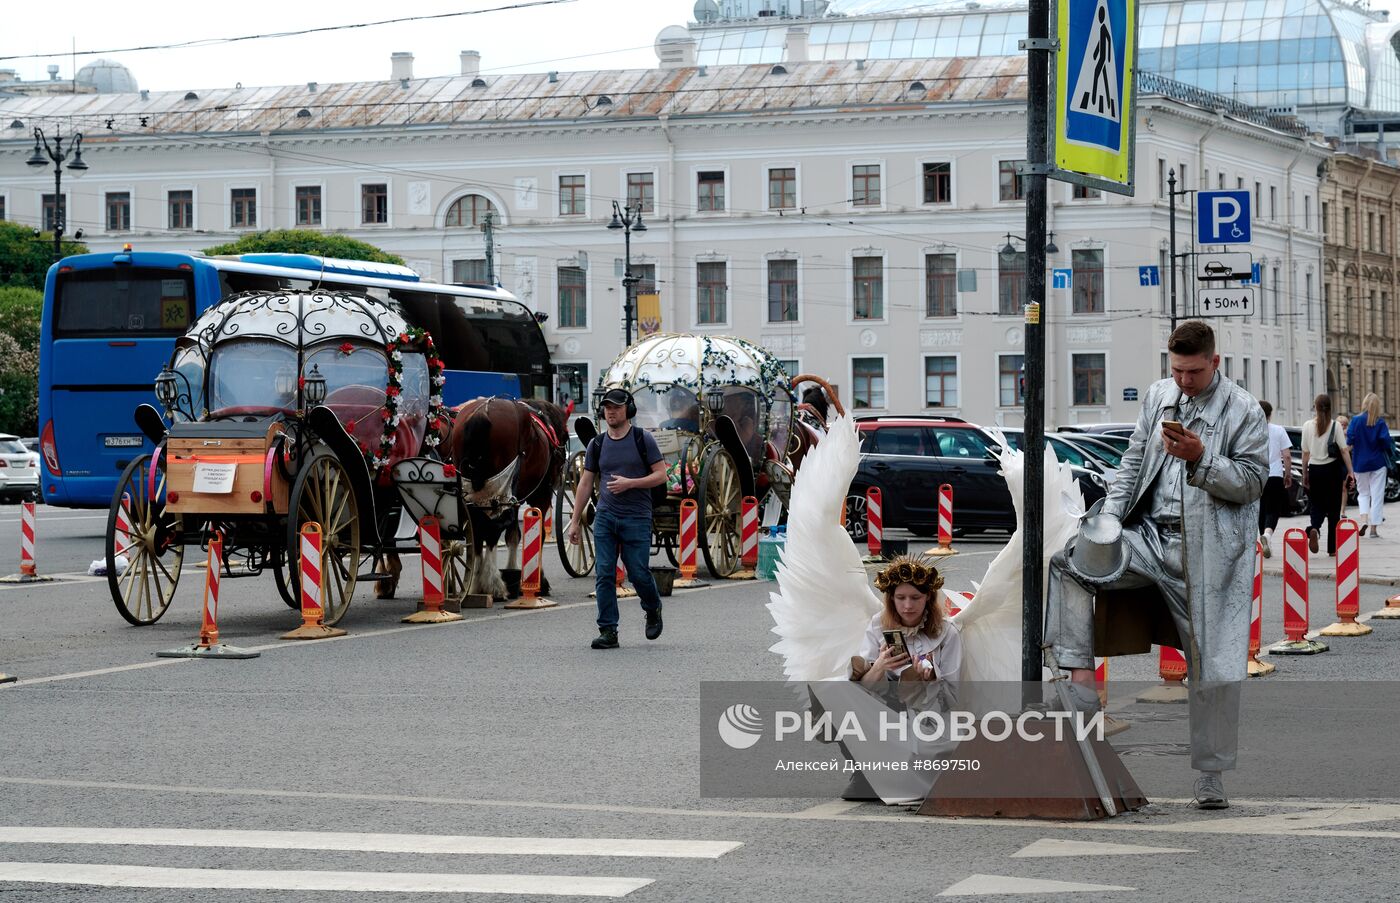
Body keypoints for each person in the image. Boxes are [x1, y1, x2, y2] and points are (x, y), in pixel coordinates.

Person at [1045, 320, 1267, 810]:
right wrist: (1105, 520)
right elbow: (1132, 461)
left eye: (1193, 371)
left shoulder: (1243, 410)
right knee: (1068, 563)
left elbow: (1252, 483)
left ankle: (1210, 776)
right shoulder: (1159, 396)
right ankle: (1078, 684)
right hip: (1147, 537)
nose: (1184, 381)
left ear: (1215, 363)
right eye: (1177, 370)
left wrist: (1201, 457)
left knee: (1212, 666)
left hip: (1205, 554)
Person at [567, 387, 668, 649]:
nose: (611, 411)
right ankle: (608, 631)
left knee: (637, 572)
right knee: (604, 574)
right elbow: (586, 483)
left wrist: (631, 483)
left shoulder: (642, 439)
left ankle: (653, 606)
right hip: (606, 517)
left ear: (628, 410)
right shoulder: (597, 444)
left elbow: (661, 475)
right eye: (607, 407)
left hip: (636, 517)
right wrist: (576, 520)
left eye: (616, 407)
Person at [850, 556, 962, 689]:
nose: (908, 605)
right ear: (891, 598)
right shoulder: (877, 625)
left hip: (926, 708)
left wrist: (930, 680)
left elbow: (952, 693)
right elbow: (861, 690)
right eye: (901, 598)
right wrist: (879, 666)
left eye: (915, 597)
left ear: (928, 596)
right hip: (880, 706)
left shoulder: (947, 632)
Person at [1301, 394, 1355, 556]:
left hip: (1315, 470)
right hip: (1332, 470)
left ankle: (1315, 529)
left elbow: (1305, 453)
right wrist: (1351, 472)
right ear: (1330, 407)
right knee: (1333, 509)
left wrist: (1305, 474)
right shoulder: (1335, 426)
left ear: (1315, 407)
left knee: (1316, 504)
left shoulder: (1307, 426)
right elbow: (1344, 450)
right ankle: (1332, 549)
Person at [1347, 393, 1389, 539]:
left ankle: (1363, 519)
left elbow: (1349, 441)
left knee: (1363, 494)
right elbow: (1386, 443)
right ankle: (1373, 530)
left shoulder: (1356, 420)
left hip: (1360, 463)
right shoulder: (1380, 422)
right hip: (1378, 463)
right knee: (1377, 496)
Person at [1258, 400, 1292, 558]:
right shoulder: (1278, 430)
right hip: (1275, 475)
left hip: (1257, 475)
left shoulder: (1251, 431)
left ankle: (1261, 540)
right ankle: (1268, 535)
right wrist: (1288, 474)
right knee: (1273, 509)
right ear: (1270, 415)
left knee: (1260, 509)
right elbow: (1286, 455)